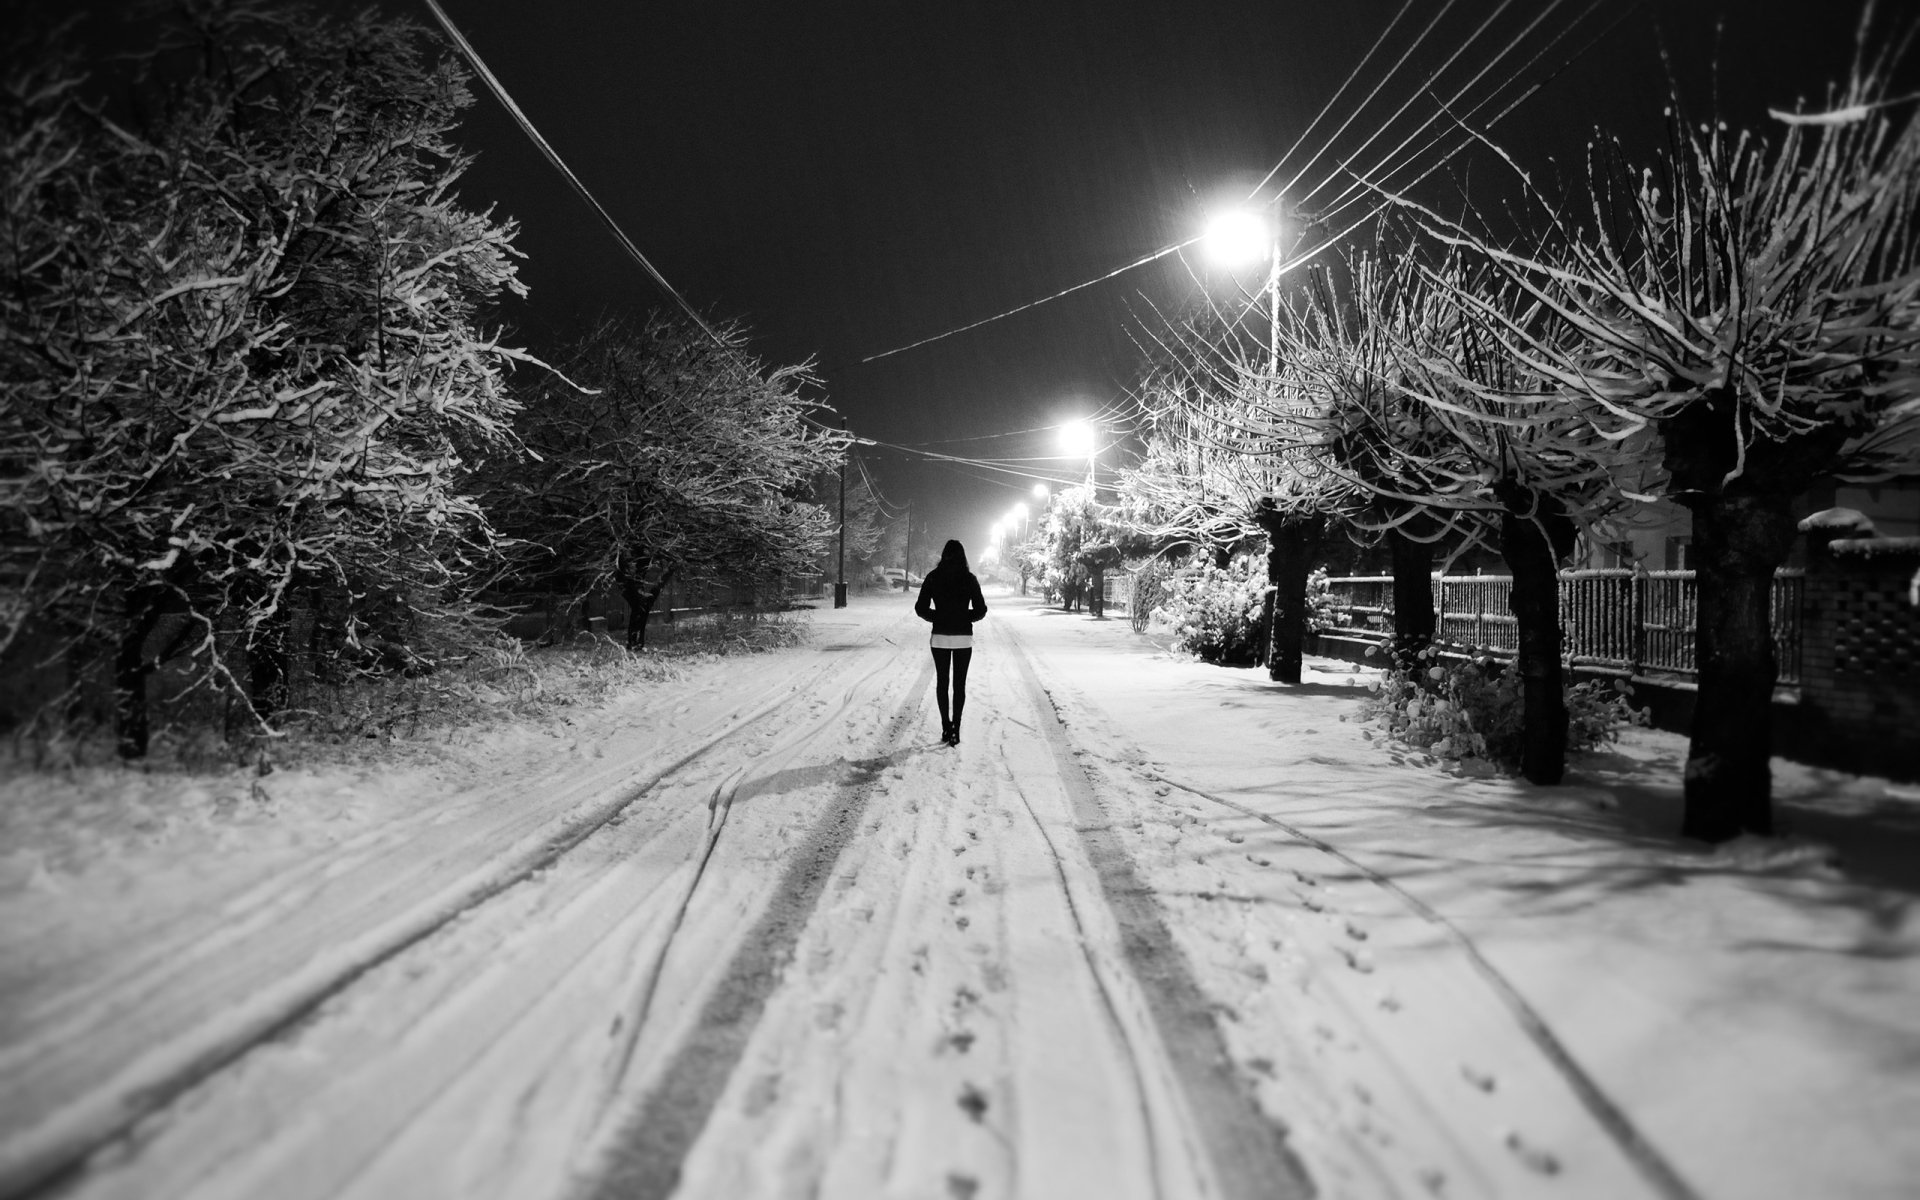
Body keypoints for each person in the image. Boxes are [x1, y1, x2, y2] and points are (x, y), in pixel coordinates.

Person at [913, 539, 988, 746]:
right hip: (963, 638)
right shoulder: (969, 579)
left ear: (943, 555)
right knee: (959, 684)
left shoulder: (933, 578)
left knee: (942, 682)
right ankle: (956, 727)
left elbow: (920, 608)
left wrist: (937, 617)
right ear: (963, 556)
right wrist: (964, 617)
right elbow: (981, 610)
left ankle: (946, 726)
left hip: (940, 638)